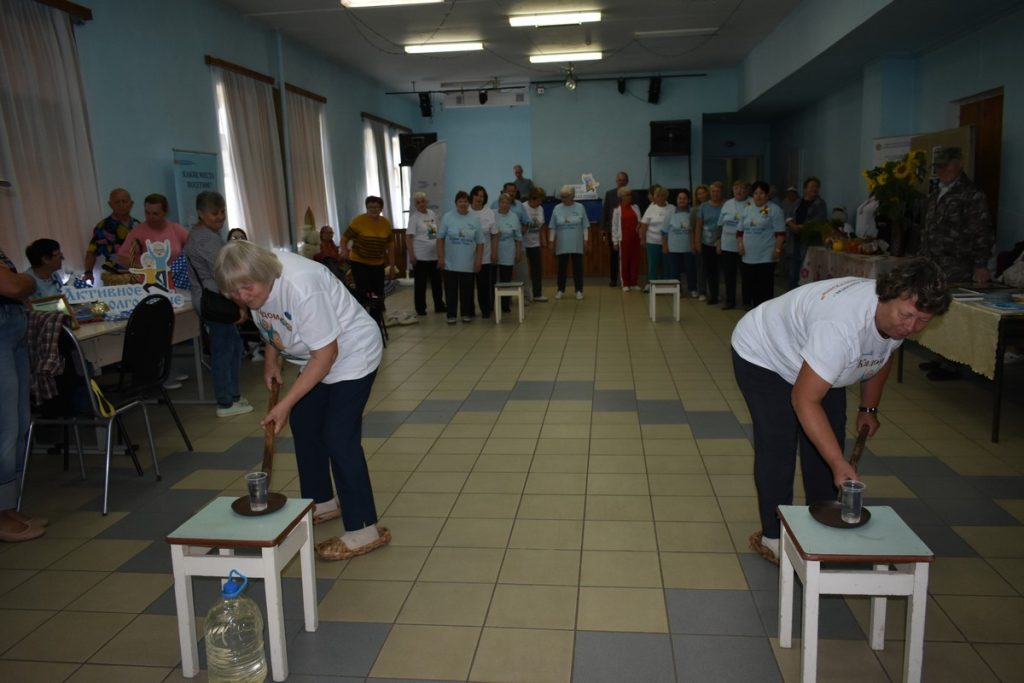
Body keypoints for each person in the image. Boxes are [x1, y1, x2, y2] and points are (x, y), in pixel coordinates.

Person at [732, 258, 951, 564]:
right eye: (907, 316)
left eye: (923, 321)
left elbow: (882, 353)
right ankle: (773, 535)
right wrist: (838, 463)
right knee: (779, 445)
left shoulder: (894, 320)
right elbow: (804, 400)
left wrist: (868, 408)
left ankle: (819, 523)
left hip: (820, 360)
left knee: (827, 442)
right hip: (765, 355)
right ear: (885, 297)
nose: (911, 327)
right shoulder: (841, 327)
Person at [215, 240, 389, 560]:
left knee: (339, 437)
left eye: (246, 288)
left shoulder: (302, 284)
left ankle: (364, 528)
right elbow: (273, 322)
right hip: (314, 356)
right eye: (233, 292)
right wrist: (271, 360)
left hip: (352, 353)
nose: (242, 297)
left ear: (265, 274)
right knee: (305, 422)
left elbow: (327, 354)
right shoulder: (255, 283)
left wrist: (286, 402)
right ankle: (322, 501)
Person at [917, 146, 995, 381]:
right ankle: (941, 355)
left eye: (945, 166)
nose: (941, 171)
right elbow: (928, 229)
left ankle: (952, 364)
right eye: (938, 167)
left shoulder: (971, 194)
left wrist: (980, 264)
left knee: (953, 314)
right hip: (934, 263)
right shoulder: (937, 193)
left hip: (957, 264)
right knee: (938, 312)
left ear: (958, 164)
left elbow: (981, 232)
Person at [183, 191, 252, 418]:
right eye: (214, 213)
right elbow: (226, 274)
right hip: (214, 301)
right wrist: (241, 304)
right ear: (201, 214)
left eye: (222, 211)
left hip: (215, 298)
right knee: (224, 351)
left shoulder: (205, 234)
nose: (220, 217)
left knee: (233, 347)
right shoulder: (205, 239)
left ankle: (233, 395)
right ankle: (225, 402)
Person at [0, 246, 46, 542]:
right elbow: (14, 286)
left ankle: (8, 505)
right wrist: (27, 282)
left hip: (11, 329)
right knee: (5, 428)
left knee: (18, 423)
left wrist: (22, 284)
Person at [437, 191, 485, 323]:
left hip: (468, 263)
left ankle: (466, 314)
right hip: (450, 263)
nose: (463, 204)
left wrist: (478, 261)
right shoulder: (447, 217)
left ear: (469, 203)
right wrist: (441, 258)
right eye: (460, 201)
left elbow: (480, 242)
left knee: (467, 291)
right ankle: (451, 315)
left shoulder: (474, 219)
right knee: (450, 290)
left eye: (465, 201)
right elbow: (440, 239)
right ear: (456, 203)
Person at [737, 180, 786, 308]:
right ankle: (750, 307)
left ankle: (764, 310)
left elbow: (780, 234)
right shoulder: (747, 209)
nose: (758, 196)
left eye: (761, 193)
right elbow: (740, 232)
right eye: (755, 193)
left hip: (766, 256)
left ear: (767, 194)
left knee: (764, 286)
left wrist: (777, 250)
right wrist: (740, 245)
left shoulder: (775, 210)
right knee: (749, 283)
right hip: (748, 255)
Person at [341, 196, 395, 304]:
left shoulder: (386, 224)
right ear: (367, 208)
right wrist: (345, 251)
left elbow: (391, 246)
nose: (374, 209)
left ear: (381, 209)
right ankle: (363, 311)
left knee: (378, 291)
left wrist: (392, 266)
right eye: (370, 207)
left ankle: (377, 311)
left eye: (377, 207)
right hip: (359, 262)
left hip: (378, 262)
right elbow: (344, 238)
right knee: (363, 290)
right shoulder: (358, 221)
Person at [116, 193, 189, 268]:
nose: (150, 217)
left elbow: (193, 250)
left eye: (155, 214)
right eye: (147, 213)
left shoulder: (177, 229)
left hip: (175, 273)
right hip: (148, 274)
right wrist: (142, 268)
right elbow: (122, 257)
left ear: (165, 212)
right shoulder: (137, 232)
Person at [83, 188, 138, 284]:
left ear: (131, 204)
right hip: (114, 278)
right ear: (110, 204)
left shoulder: (138, 225)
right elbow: (92, 251)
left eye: (124, 201)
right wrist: (88, 272)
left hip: (138, 276)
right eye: (117, 202)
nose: (121, 204)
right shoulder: (103, 226)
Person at [406, 192, 445, 316]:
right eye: (418, 202)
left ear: (426, 202)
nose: (421, 204)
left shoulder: (432, 214)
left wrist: (440, 254)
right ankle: (420, 308)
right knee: (420, 285)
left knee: (437, 283)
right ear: (415, 205)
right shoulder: (414, 218)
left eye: (423, 201)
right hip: (420, 257)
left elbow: (435, 234)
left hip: (434, 256)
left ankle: (439, 305)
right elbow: (408, 238)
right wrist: (411, 255)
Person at [785, 177, 827, 290]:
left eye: (816, 187)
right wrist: (792, 225)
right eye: (812, 186)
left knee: (806, 270)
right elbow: (788, 215)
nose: (814, 189)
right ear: (805, 189)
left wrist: (803, 227)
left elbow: (820, 220)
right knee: (793, 270)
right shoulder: (798, 202)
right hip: (794, 239)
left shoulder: (820, 203)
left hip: (810, 242)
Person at [549, 185, 589, 300]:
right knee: (561, 268)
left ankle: (579, 290)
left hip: (576, 243)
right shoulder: (557, 208)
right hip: (562, 244)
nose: (563, 199)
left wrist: (586, 240)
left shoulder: (580, 207)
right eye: (561, 196)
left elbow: (585, 226)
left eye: (565, 196)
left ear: (572, 196)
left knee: (578, 268)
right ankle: (560, 290)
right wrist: (551, 241)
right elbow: (553, 227)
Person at [717, 179, 750, 309]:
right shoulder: (727, 204)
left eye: (742, 188)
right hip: (727, 244)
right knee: (729, 275)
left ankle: (747, 301)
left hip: (746, 246)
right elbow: (720, 225)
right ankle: (730, 300)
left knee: (746, 275)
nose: (739, 191)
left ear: (747, 190)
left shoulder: (753, 203)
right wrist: (718, 242)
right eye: (736, 188)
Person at [661, 189, 698, 297]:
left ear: (689, 200)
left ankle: (693, 289)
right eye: (680, 198)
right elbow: (664, 232)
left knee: (691, 270)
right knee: (674, 271)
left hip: (689, 248)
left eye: (684, 198)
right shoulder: (670, 213)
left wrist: (695, 245)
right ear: (676, 200)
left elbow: (696, 230)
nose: (682, 200)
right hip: (673, 248)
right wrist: (665, 246)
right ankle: (677, 290)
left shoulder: (693, 213)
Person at [469, 186, 498, 319]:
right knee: (468, 286)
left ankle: (486, 311)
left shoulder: (490, 213)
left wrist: (494, 253)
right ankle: (469, 311)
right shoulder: (466, 211)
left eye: (482, 196)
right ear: (472, 196)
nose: (479, 198)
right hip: (467, 257)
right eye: (477, 195)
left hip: (485, 256)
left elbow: (494, 235)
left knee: (484, 286)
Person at [639, 185, 673, 292]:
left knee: (667, 265)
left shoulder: (672, 208)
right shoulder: (651, 208)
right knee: (653, 265)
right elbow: (644, 225)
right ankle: (651, 285)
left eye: (662, 195)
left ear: (666, 196)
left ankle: (666, 286)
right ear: (654, 197)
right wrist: (642, 239)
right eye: (658, 195)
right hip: (652, 241)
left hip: (668, 242)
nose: (660, 198)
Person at [494, 193, 524, 313]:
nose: (505, 205)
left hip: (508, 252)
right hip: (494, 252)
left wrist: (518, 252)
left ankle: (505, 305)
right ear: (499, 203)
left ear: (510, 205)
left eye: (507, 203)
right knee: (493, 280)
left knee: (506, 280)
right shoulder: (493, 215)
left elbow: (518, 237)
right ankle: (492, 305)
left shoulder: (514, 217)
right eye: (503, 202)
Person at [696, 181, 724, 304]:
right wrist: (697, 242)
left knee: (720, 270)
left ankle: (719, 294)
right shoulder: (704, 206)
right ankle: (712, 295)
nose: (715, 194)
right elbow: (698, 226)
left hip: (723, 243)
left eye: (718, 191)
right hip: (706, 243)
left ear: (721, 192)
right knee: (709, 270)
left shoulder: (726, 205)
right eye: (713, 191)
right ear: (710, 193)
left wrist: (720, 240)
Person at [601, 171, 629, 287]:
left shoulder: (632, 194)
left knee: (627, 255)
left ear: (627, 181)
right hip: (612, 230)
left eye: (623, 180)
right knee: (614, 255)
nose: (621, 182)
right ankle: (613, 279)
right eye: (619, 180)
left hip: (627, 229)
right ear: (616, 181)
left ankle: (627, 279)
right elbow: (605, 211)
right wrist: (603, 228)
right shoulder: (609, 194)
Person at [612, 186, 642, 291]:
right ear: (622, 197)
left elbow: (640, 221)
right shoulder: (617, 210)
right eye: (627, 195)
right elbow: (614, 227)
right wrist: (615, 242)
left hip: (636, 239)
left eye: (630, 195)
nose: (630, 197)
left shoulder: (635, 207)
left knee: (635, 261)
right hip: (624, 240)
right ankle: (625, 283)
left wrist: (640, 227)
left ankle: (634, 282)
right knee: (624, 262)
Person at [522, 187, 548, 302]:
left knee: (537, 270)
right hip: (523, 244)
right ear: (532, 198)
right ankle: (525, 296)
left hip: (535, 244)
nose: (540, 202)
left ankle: (537, 294)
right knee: (523, 272)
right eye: (539, 200)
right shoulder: (523, 207)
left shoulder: (540, 209)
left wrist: (544, 239)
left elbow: (541, 226)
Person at [690, 184, 709, 300]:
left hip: (712, 243)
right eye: (699, 194)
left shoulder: (713, 206)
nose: (702, 196)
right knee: (701, 268)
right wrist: (694, 244)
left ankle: (713, 292)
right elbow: (692, 229)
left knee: (712, 269)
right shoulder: (694, 210)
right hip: (700, 242)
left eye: (703, 193)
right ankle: (701, 291)